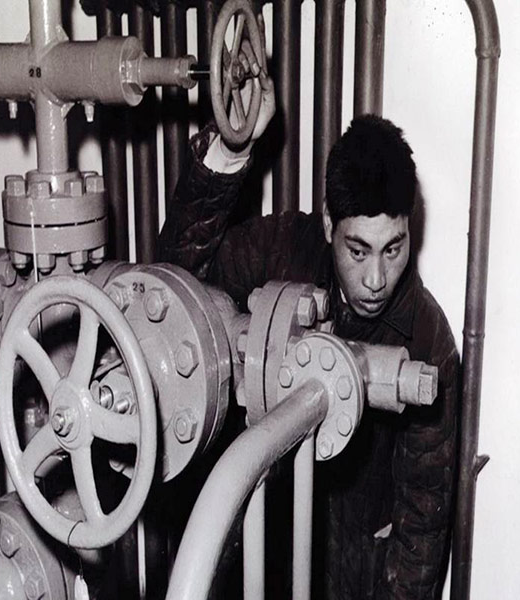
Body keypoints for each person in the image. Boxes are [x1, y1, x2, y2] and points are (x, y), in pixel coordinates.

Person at [157, 50, 459, 600]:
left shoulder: (427, 338)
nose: (376, 278)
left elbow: (421, 528)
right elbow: (176, 284)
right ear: (327, 224)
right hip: (253, 551)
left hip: (350, 576)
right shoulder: (279, 250)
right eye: (358, 250)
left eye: (393, 249)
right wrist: (231, 149)